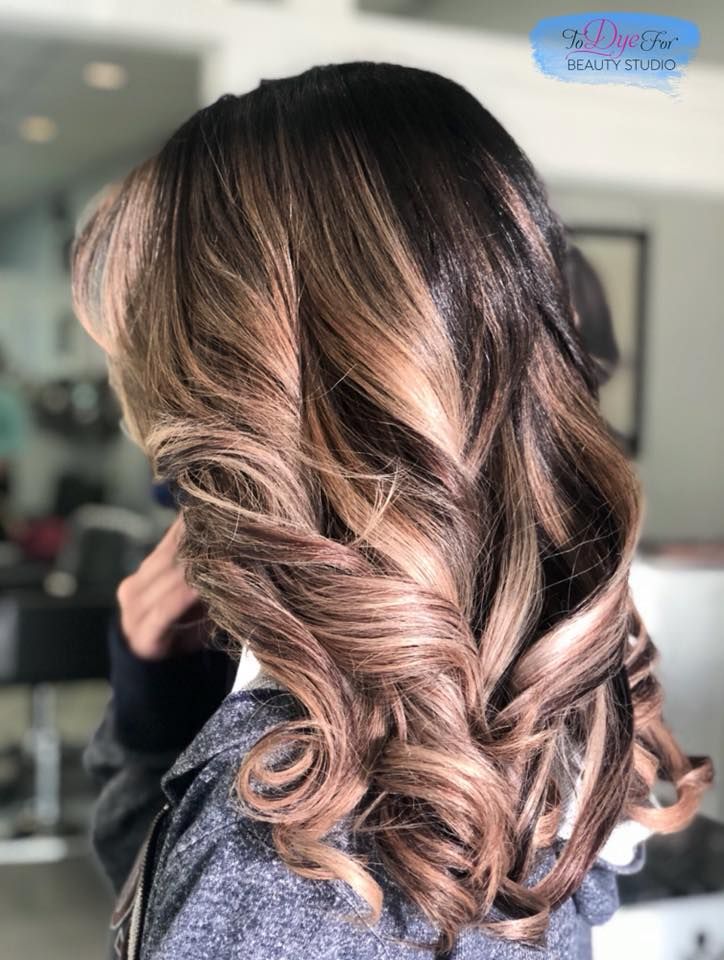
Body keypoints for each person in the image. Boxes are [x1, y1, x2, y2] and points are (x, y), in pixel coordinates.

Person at [72, 62, 712, 960]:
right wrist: (168, 725)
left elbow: (224, 907)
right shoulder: (520, 714)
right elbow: (175, 905)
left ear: (237, 409)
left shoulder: (294, 837)